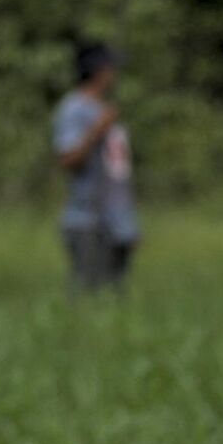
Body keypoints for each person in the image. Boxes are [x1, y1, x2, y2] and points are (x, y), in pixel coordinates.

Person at [52, 41, 138, 293]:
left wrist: (129, 220)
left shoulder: (105, 110)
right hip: (88, 220)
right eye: (111, 68)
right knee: (87, 296)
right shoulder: (73, 109)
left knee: (115, 297)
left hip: (116, 221)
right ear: (99, 71)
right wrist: (97, 130)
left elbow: (117, 171)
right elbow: (69, 160)